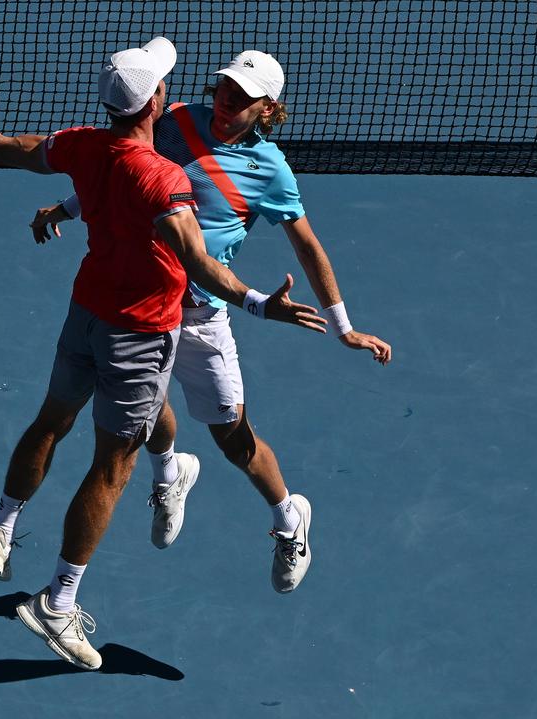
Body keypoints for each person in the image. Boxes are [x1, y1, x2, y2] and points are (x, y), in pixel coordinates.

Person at [0, 38, 326, 670]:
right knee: (112, 466)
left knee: (53, 422)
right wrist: (264, 304)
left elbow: (2, 147)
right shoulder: (164, 178)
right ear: (156, 101)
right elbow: (199, 262)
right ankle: (59, 601)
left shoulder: (82, 145)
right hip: (142, 332)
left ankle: (4, 528)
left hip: (85, 316)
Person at [28, 50, 393, 594]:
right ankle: (169, 474)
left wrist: (344, 326)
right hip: (143, 308)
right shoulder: (175, 120)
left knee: (233, 437)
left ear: (268, 108)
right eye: (225, 87)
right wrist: (66, 206)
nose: (227, 99)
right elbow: (128, 173)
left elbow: (308, 246)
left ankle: (289, 520)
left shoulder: (270, 169)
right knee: (144, 414)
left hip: (202, 314)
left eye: (243, 96)